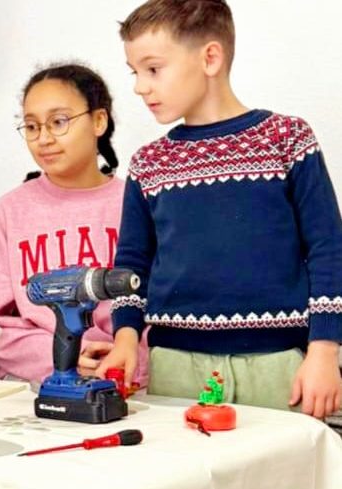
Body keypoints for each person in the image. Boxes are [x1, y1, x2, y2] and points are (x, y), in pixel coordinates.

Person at [102, 0, 342, 419]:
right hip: (174, 367)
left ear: (210, 58)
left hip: (280, 366)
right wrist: (125, 338)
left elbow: (328, 249)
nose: (140, 87)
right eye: (134, 72)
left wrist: (324, 350)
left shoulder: (287, 139)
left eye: (153, 69)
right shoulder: (148, 163)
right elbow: (132, 264)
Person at [0, 63, 147, 385]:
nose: (44, 139)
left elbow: (165, 304)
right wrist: (60, 355)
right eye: (32, 127)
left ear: (99, 121)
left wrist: (128, 359)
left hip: (128, 381)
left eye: (59, 122)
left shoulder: (137, 204)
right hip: (32, 386)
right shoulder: (10, 211)